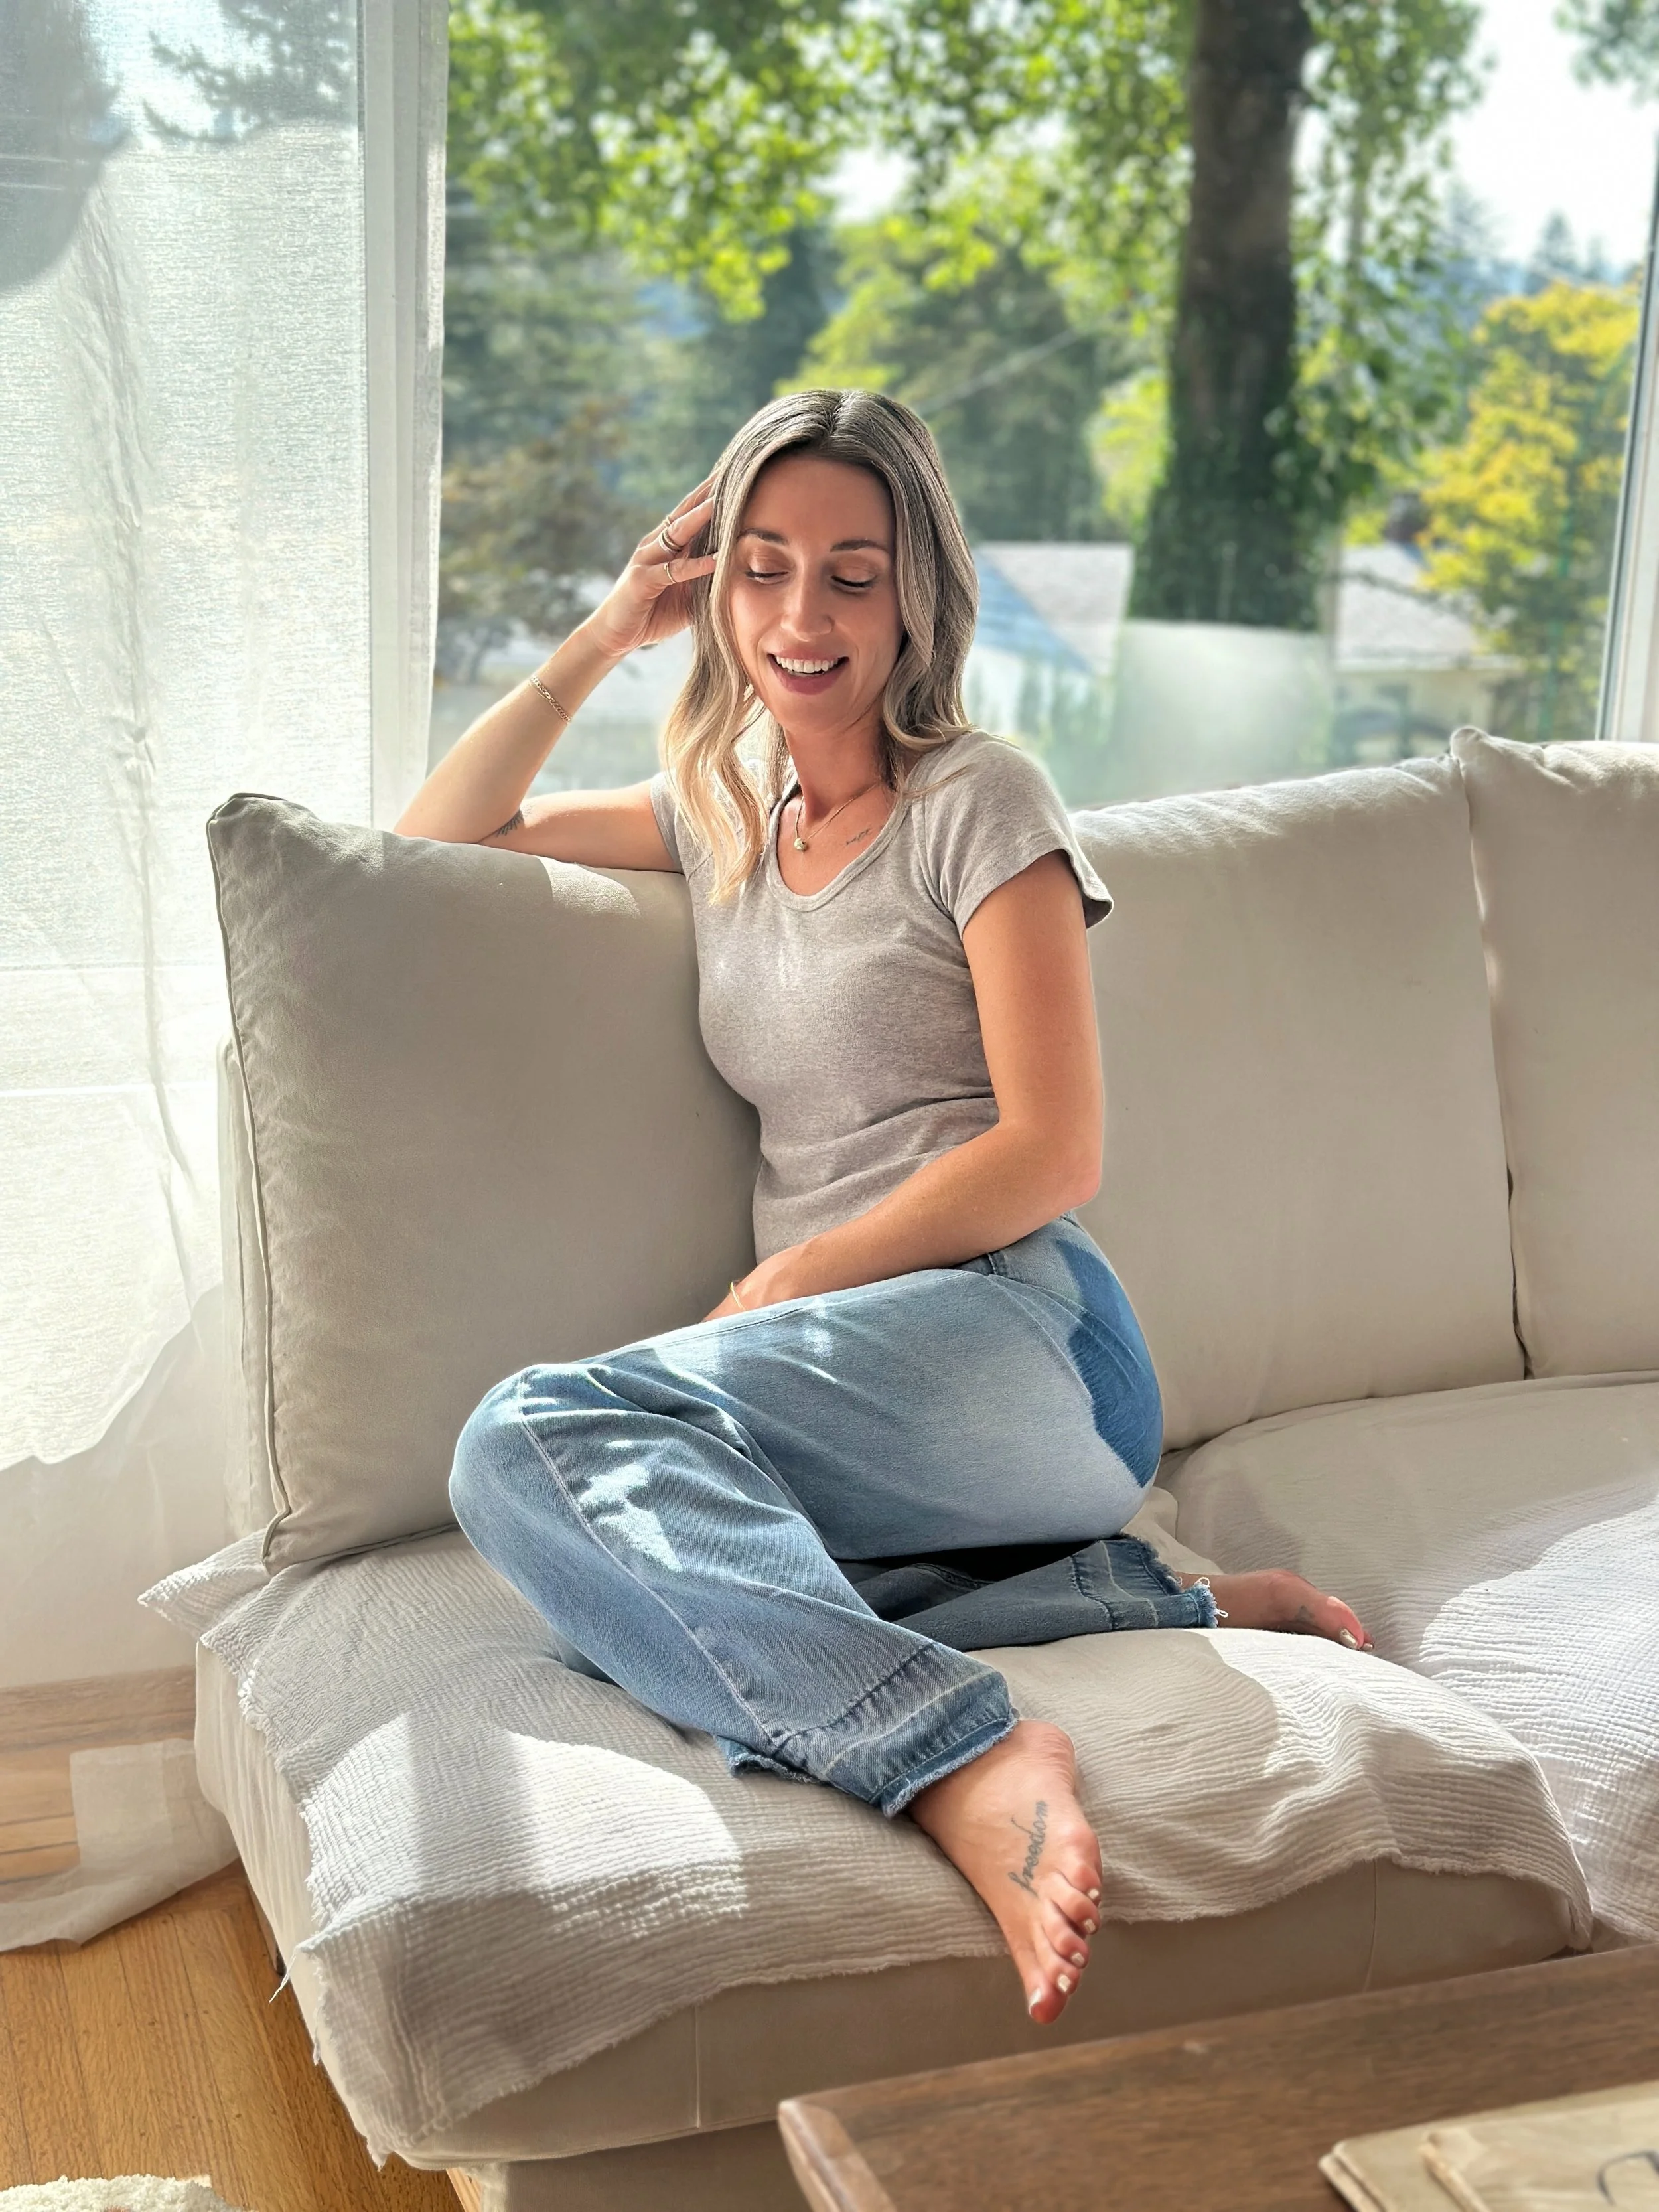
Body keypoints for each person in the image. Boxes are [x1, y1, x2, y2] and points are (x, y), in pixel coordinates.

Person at [398, 388, 1373, 2024]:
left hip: (1024, 1335)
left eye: (851, 573)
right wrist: (608, 630)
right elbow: (440, 842)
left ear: (918, 591)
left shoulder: (981, 801)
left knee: (523, 1441)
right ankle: (1153, 1597)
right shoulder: (716, 812)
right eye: (761, 568)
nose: (799, 616)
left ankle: (961, 1751)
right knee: (621, 1588)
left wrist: (801, 1277)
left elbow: (1054, 1150)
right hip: (874, 1400)